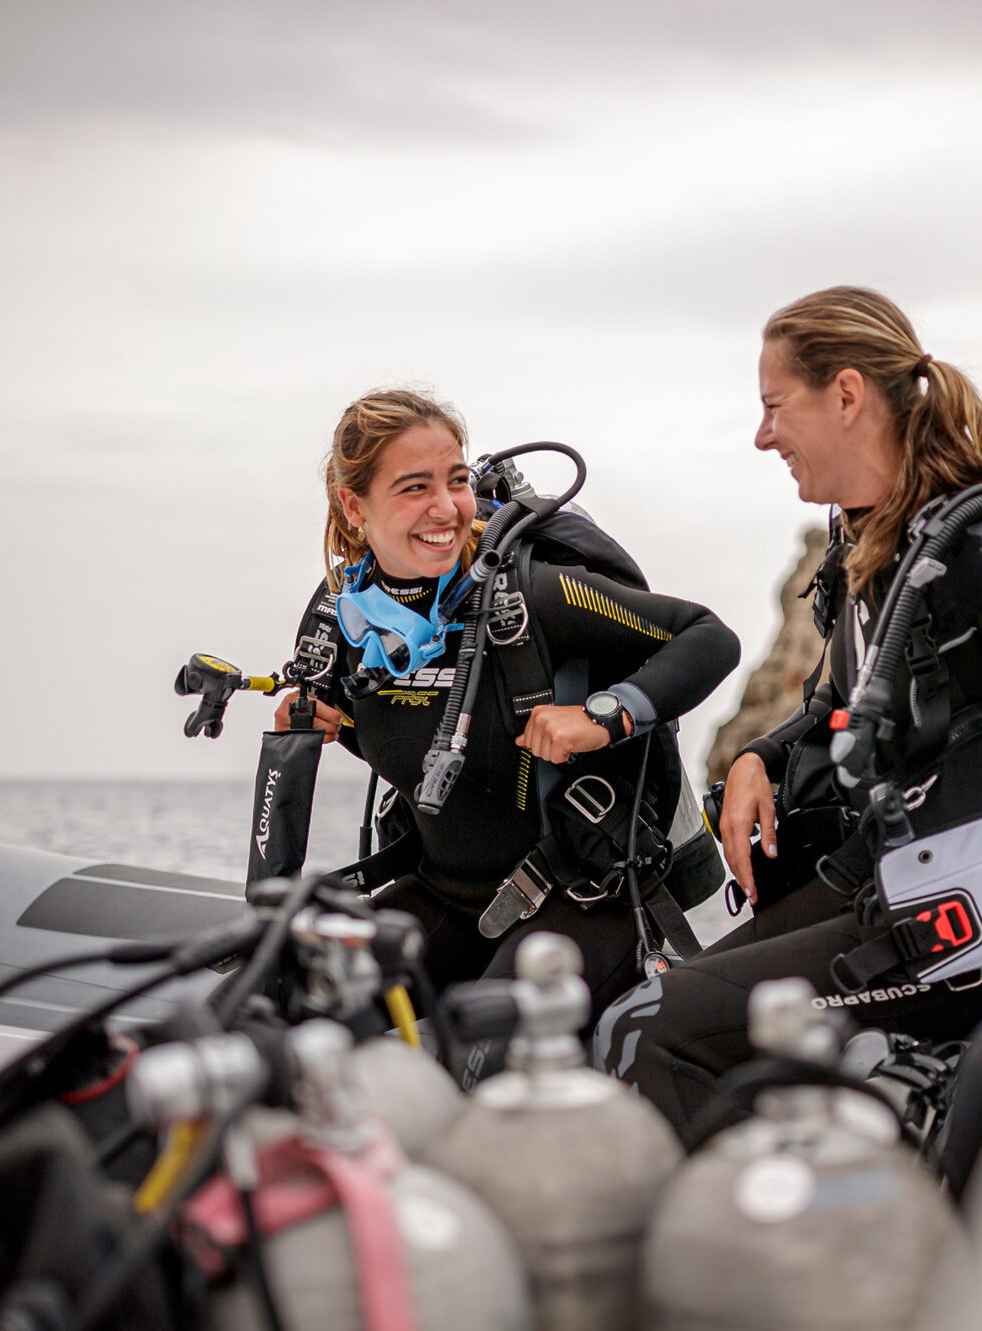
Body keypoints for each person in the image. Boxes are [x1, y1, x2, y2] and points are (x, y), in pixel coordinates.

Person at [594, 287, 982, 1137]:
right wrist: (756, 759)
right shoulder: (868, 545)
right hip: (891, 884)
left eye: (775, 406)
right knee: (644, 1004)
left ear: (845, 395)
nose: (762, 435)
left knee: (649, 1032)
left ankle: (768, 1247)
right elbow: (834, 706)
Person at [276, 389, 740, 1042]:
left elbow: (708, 636)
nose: (445, 507)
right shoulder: (339, 618)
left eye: (456, 480)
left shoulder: (530, 598)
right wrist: (337, 725)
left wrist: (604, 715)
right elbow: (426, 738)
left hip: (576, 901)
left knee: (479, 1057)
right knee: (281, 1002)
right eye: (415, 487)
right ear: (354, 506)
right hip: (440, 897)